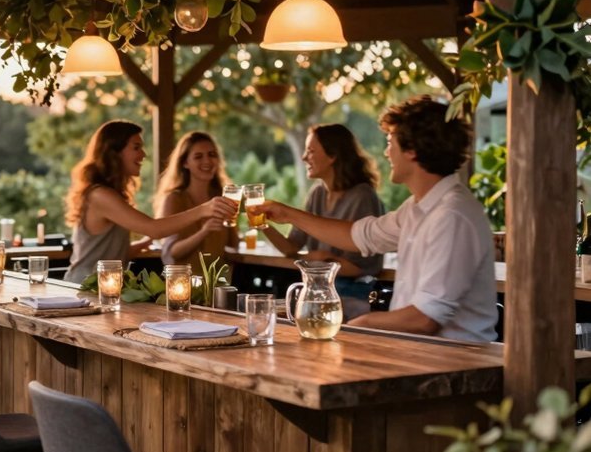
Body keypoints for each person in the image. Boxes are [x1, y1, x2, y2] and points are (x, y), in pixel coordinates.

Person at [250, 96, 497, 342]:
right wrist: (288, 214)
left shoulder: (451, 216)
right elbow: (358, 236)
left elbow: (424, 320)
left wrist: (358, 325)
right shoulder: (416, 208)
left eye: (390, 142)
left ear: (412, 150)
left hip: (455, 367)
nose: (386, 152)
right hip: (418, 357)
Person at [63, 121, 237, 283]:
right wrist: (203, 210)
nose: (143, 154)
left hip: (103, 287)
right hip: (82, 290)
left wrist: (139, 246)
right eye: (136, 147)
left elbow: (108, 255)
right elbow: (154, 229)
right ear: (114, 152)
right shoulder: (100, 195)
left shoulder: (109, 194)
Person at [262, 124, 384, 301]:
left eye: (310, 151)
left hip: (352, 292)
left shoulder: (362, 196)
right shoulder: (317, 193)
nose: (304, 157)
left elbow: (360, 268)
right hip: (319, 289)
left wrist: (319, 259)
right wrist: (261, 223)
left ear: (333, 155)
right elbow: (291, 248)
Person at [153, 131, 238, 272]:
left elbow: (233, 244)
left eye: (212, 155)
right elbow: (172, 252)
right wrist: (204, 232)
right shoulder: (174, 199)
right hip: (184, 285)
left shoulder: (222, 198)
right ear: (185, 163)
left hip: (216, 285)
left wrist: (240, 218)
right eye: (198, 156)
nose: (207, 161)